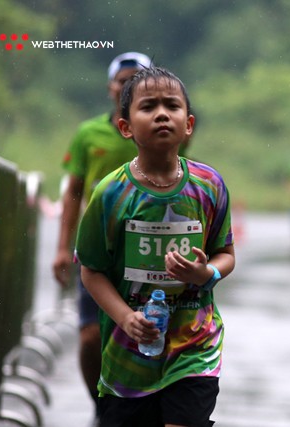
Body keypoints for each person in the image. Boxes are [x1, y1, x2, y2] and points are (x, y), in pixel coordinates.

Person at [75, 66, 235, 427]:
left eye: (172, 106)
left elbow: (226, 255)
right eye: (148, 107)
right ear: (126, 126)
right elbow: (91, 270)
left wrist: (205, 272)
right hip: (127, 359)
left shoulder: (209, 186)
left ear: (188, 123)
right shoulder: (111, 193)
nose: (162, 113)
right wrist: (126, 318)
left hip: (195, 346)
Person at [52, 52, 153, 421]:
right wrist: (62, 248)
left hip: (145, 251)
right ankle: (102, 407)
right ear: (111, 87)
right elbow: (73, 191)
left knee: (139, 334)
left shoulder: (159, 125)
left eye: (136, 79)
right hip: (96, 248)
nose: (128, 86)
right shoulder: (88, 133)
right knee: (91, 336)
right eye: (123, 80)